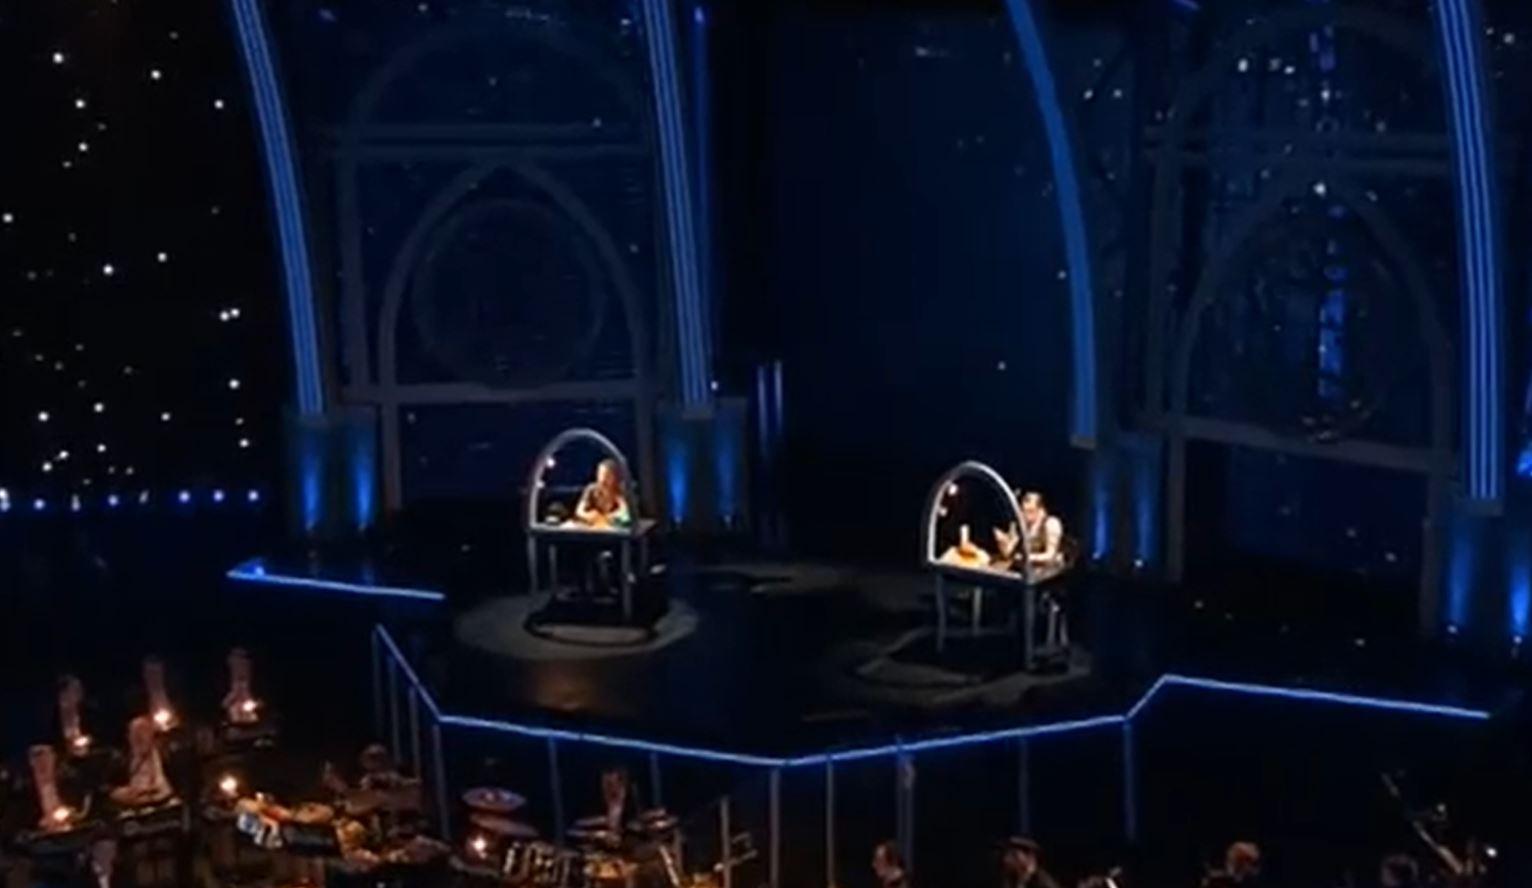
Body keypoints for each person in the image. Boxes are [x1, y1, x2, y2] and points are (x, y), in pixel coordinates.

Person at [576, 459, 632, 528]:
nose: (603, 479)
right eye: (600, 474)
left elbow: (626, 512)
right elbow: (579, 511)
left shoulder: (620, 491)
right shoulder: (591, 489)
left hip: (615, 528)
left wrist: (607, 518)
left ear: (615, 477)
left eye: (607, 475)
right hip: (594, 527)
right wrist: (590, 516)